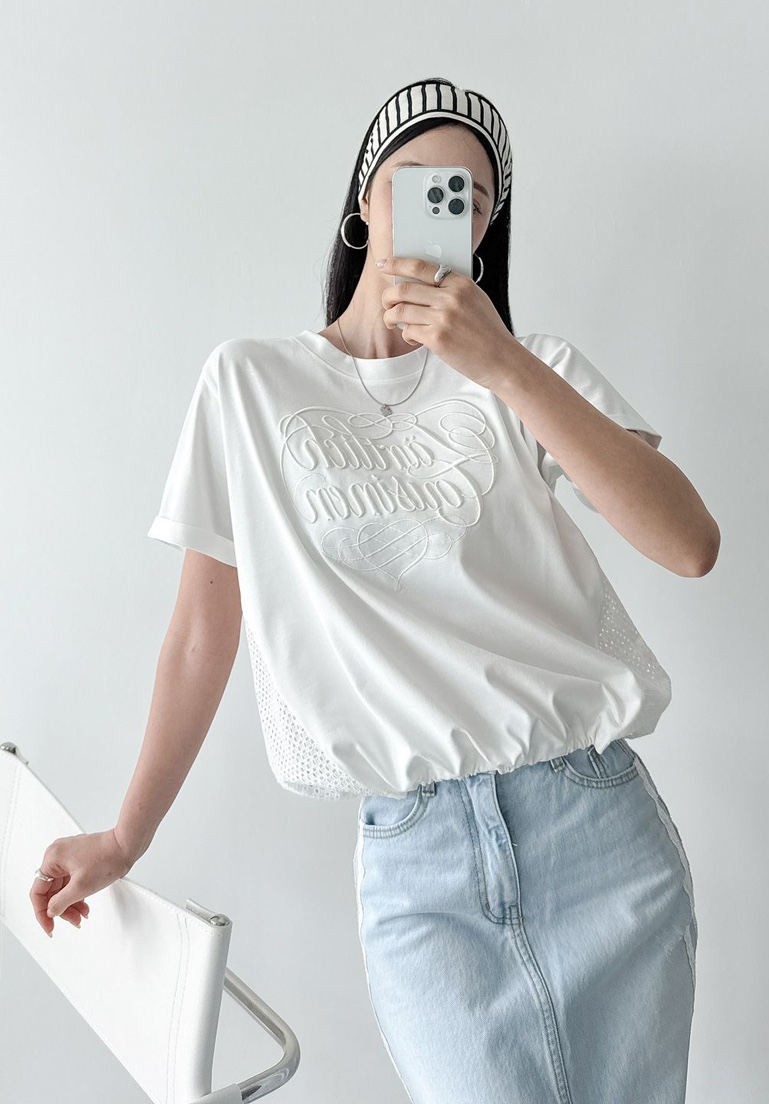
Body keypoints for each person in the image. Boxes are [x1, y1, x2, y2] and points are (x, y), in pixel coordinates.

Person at [31, 77, 719, 1103]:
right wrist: (127, 836)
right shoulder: (250, 384)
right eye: (416, 180)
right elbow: (201, 636)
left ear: (485, 229)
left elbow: (690, 544)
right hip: (418, 865)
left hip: (595, 827)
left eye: (469, 197)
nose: (444, 204)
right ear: (364, 198)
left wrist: (501, 366)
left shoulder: (534, 372)